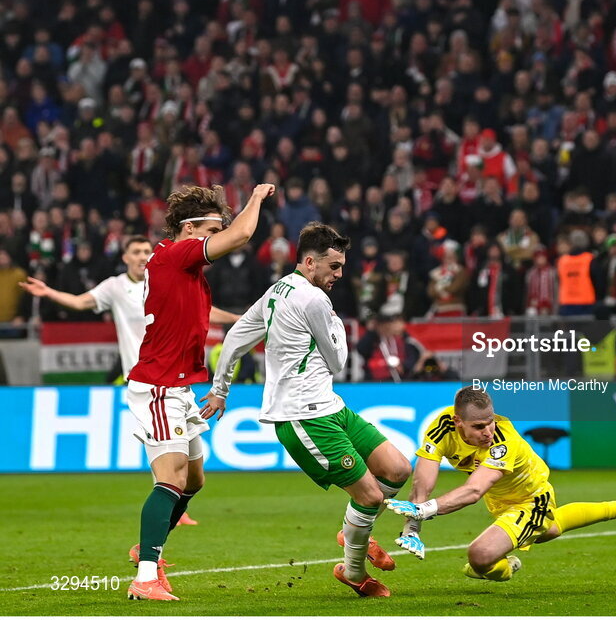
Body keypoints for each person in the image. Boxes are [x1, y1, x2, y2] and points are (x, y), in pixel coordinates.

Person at [205, 223, 411, 598]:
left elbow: (235, 336)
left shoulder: (276, 289)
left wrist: (220, 391)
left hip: (331, 407)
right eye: (333, 267)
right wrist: (336, 327)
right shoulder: (315, 301)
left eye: (342, 266)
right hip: (304, 416)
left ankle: (354, 532)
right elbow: (336, 359)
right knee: (369, 497)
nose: (339, 275)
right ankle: (353, 569)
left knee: (398, 469)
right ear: (310, 261)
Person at [19, 235, 241, 528]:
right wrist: (48, 292)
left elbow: (202, 311)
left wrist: (238, 319)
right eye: (135, 251)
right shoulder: (115, 286)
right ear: (124, 257)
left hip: (174, 375)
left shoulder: (164, 278)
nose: (142, 256)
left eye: (146, 251)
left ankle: (171, 502)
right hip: (144, 380)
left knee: (183, 459)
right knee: (167, 450)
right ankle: (164, 515)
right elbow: (80, 301)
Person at [123, 183, 275, 602]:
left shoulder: (186, 271)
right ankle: (146, 575)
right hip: (157, 385)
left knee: (194, 479)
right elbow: (242, 235)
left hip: (180, 386)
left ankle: (147, 547)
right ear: (190, 230)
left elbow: (204, 314)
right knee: (169, 478)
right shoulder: (176, 254)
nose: (216, 236)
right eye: (210, 229)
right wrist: (256, 198)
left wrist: (251, 321)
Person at [384, 386, 616, 581]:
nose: (487, 431)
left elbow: (474, 490)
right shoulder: (442, 425)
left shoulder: (503, 440)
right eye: (478, 427)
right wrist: (412, 531)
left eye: (490, 423)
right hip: (500, 499)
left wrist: (424, 510)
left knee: (479, 556)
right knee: (550, 529)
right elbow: (422, 485)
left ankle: (500, 568)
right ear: (457, 422)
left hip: (531, 496)